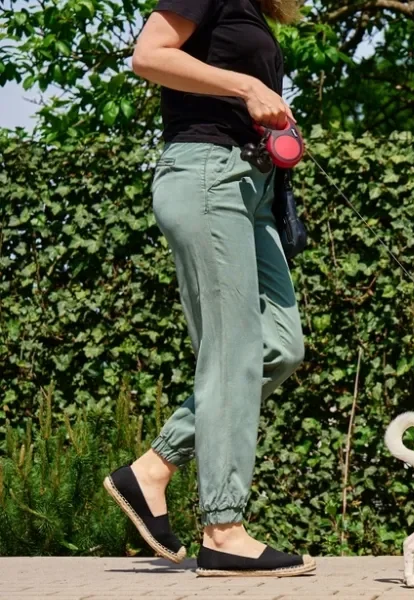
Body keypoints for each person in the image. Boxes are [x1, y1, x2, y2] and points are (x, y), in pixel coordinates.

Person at [102, 0, 315, 577]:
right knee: (232, 351)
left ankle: (153, 466)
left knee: (281, 344)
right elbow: (149, 55)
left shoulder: (254, 10)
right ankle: (223, 529)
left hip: (254, 189)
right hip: (206, 175)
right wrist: (247, 85)